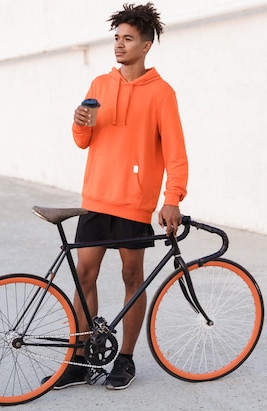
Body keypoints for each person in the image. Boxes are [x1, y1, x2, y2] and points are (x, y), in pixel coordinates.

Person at [54, 2, 188, 390]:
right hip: (96, 197)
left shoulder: (162, 94)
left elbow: (176, 153)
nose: (119, 45)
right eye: (116, 37)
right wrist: (79, 124)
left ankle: (125, 360)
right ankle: (79, 361)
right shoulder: (99, 84)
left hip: (134, 202)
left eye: (127, 38)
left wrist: (172, 197)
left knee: (133, 278)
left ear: (146, 45)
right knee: (84, 277)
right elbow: (84, 141)